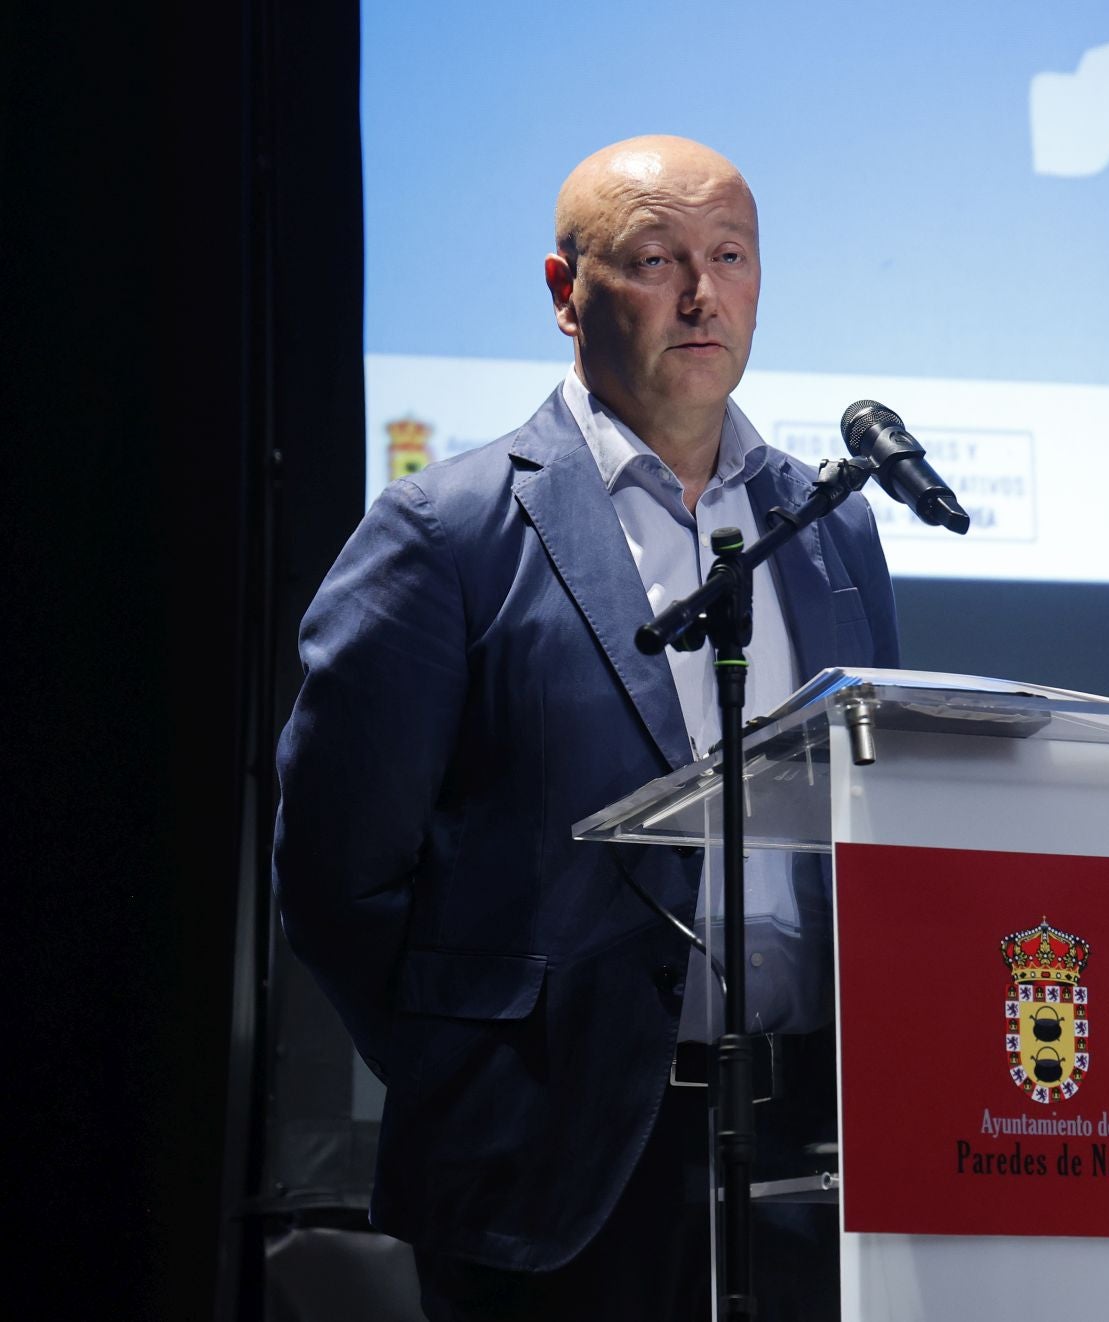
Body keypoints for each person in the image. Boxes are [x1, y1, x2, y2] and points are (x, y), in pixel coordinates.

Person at [274, 135, 897, 1320]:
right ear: (567, 294)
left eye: (731, 256)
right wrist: (476, 1069)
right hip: (553, 1161)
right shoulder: (442, 529)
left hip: (810, 1152)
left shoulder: (829, 526)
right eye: (658, 258)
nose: (703, 293)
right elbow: (333, 875)